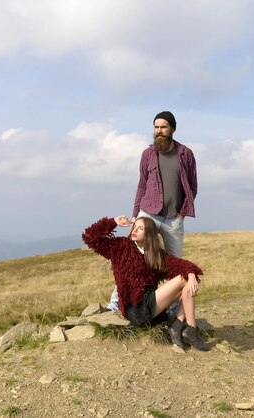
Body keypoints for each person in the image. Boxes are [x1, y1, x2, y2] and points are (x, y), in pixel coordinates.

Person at [107, 110, 198, 313]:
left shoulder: (185, 154)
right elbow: (141, 185)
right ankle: (115, 305)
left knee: (175, 263)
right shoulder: (147, 154)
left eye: (163, 127)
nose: (159, 131)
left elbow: (192, 186)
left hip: (173, 218)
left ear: (172, 129)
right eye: (156, 127)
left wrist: (182, 212)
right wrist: (135, 215)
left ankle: (173, 311)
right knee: (130, 257)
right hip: (147, 213)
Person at [82, 215, 209, 351]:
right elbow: (90, 237)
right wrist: (113, 222)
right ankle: (190, 330)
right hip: (136, 309)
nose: (135, 230)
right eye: (134, 227)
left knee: (188, 281)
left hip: (151, 307)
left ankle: (180, 327)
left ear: (149, 233)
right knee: (185, 280)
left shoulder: (156, 255)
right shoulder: (121, 247)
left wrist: (191, 274)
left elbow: (181, 265)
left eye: (140, 228)